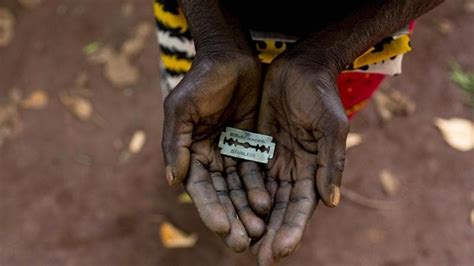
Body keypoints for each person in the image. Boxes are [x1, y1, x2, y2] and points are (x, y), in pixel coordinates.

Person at [154, 0, 444, 265]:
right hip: (202, 25)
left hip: (357, 39)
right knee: (199, 100)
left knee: (322, 120)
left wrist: (325, 57)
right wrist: (215, 37)